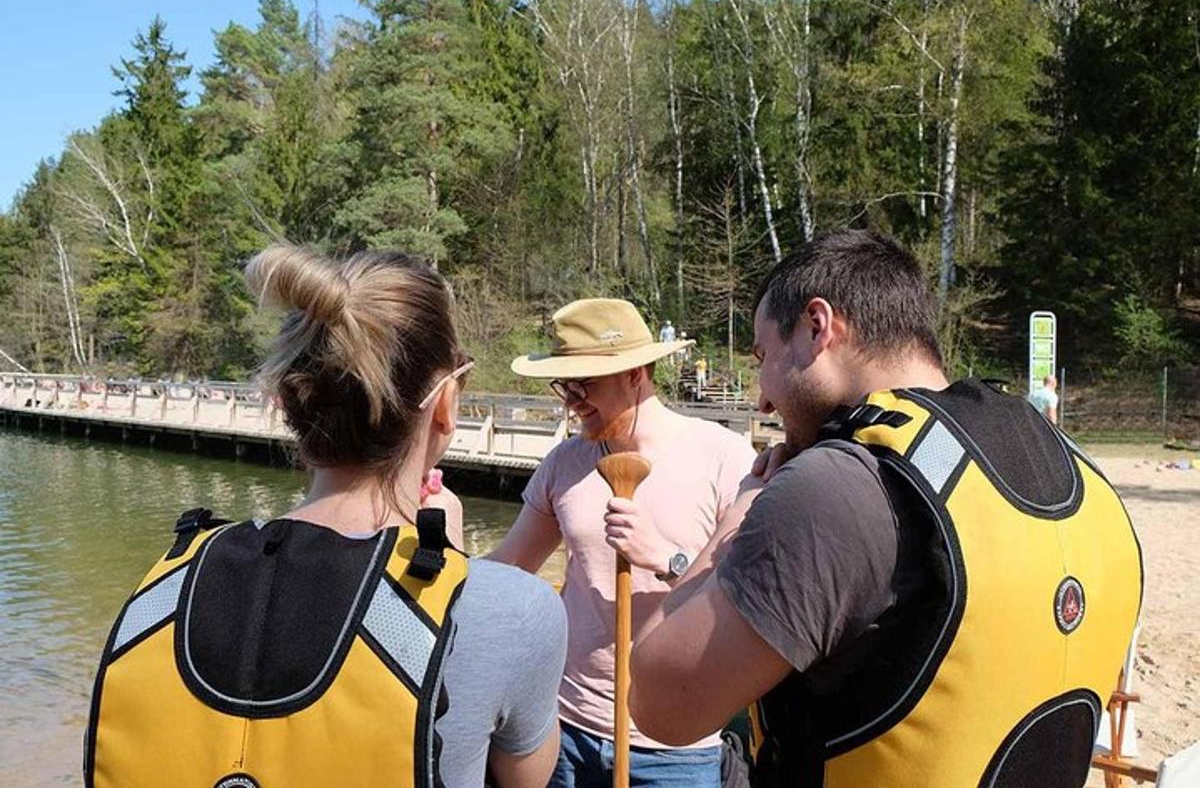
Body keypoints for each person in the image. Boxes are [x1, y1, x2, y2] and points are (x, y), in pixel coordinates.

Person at [629, 230, 1143, 788]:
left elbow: (659, 704)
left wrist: (734, 522)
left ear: (817, 326)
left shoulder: (835, 487)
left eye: (764, 357)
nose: (761, 397)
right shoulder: (1082, 475)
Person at [86, 246, 567, 788]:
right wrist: (452, 570)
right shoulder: (512, 609)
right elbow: (526, 777)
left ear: (287, 402)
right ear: (446, 403)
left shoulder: (167, 584)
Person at [490, 298, 758, 788]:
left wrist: (668, 559)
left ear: (636, 374)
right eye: (564, 384)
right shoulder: (564, 464)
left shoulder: (724, 458)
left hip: (675, 744)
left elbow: (752, 594)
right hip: (565, 731)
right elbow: (506, 569)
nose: (571, 398)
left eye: (584, 382)